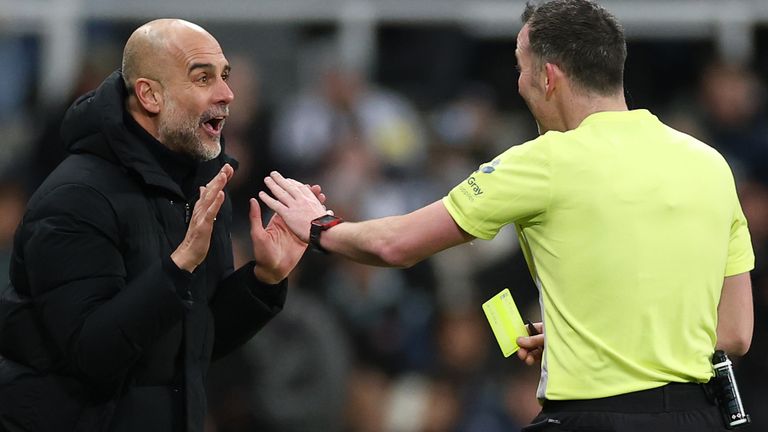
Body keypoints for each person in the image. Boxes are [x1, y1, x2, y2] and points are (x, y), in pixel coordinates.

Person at [258, 1, 755, 430]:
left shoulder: (542, 161)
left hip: (591, 418)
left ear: (548, 75)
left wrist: (319, 227)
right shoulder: (710, 164)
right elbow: (735, 332)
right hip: (699, 418)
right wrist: (593, 338)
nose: (517, 83)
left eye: (519, 67)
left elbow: (395, 244)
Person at [0, 19, 322, 432]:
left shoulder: (199, 187)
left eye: (224, 76)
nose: (227, 94)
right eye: (203, 78)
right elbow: (92, 355)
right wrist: (180, 265)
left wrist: (264, 280)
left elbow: (194, 344)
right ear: (150, 95)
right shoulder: (75, 198)